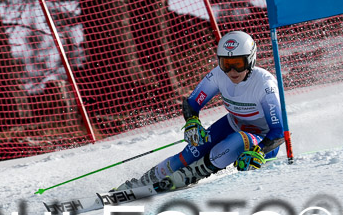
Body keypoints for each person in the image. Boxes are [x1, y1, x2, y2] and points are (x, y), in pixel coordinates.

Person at [115, 30, 285, 192]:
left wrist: (259, 151)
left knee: (236, 140)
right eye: (226, 64)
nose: (232, 71)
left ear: (250, 60)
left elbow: (279, 131)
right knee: (189, 154)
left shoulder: (264, 84)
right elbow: (192, 103)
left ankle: (191, 174)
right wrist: (192, 122)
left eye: (238, 64)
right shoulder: (219, 75)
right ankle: (141, 183)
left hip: (263, 139)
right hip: (233, 123)